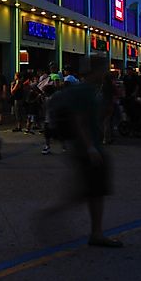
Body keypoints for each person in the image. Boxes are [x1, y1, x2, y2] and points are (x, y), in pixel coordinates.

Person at [37, 64, 123, 248]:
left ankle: (95, 232)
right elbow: (80, 120)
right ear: (93, 72)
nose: (104, 74)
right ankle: (49, 216)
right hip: (87, 148)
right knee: (85, 192)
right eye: (101, 71)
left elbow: (94, 118)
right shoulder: (85, 91)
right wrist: (91, 148)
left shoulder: (86, 90)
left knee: (92, 192)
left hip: (83, 146)